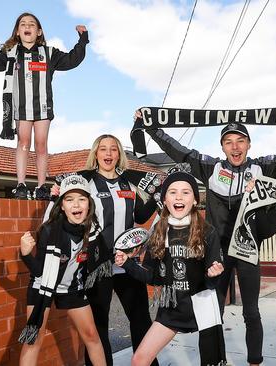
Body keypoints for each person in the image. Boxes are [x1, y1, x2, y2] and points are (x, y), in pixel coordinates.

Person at [143, 106, 276, 366]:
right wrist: (152, 128)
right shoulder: (210, 168)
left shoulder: (263, 167)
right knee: (211, 313)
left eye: (240, 141)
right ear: (222, 147)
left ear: (248, 144)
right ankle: (214, 362)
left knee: (251, 313)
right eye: (229, 142)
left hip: (247, 251)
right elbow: (179, 150)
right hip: (215, 253)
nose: (235, 147)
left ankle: (255, 361)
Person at [51, 134, 160, 366]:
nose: (108, 154)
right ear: (96, 154)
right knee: (99, 325)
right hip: (97, 264)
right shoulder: (86, 183)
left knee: (141, 321)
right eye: (103, 149)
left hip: (127, 263)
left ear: (119, 154)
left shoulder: (128, 182)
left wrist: (156, 197)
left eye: (113, 149)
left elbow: (140, 216)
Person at [0, 13, 88, 199]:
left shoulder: (49, 53)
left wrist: (82, 40)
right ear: (17, 31)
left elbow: (72, 60)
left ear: (39, 31)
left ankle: (41, 187)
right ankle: (21, 185)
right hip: (21, 107)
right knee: (23, 143)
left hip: (43, 107)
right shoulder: (10, 53)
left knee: (41, 145)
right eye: (23, 24)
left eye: (32, 24)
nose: (27, 26)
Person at [114, 171, 226, 366]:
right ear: (165, 199)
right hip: (172, 306)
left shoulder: (207, 232)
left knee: (213, 363)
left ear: (194, 199)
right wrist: (128, 263)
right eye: (173, 192)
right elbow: (153, 277)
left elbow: (211, 282)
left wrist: (213, 274)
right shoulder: (158, 232)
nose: (179, 197)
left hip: (202, 305)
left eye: (186, 192)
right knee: (139, 360)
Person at [18, 175, 107, 366]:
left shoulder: (93, 231)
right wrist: (25, 255)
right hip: (43, 286)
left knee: (92, 335)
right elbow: (39, 272)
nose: (76, 204)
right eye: (69, 199)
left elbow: (104, 257)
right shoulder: (51, 230)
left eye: (81, 199)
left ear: (89, 205)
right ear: (63, 206)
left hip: (71, 286)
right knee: (34, 338)